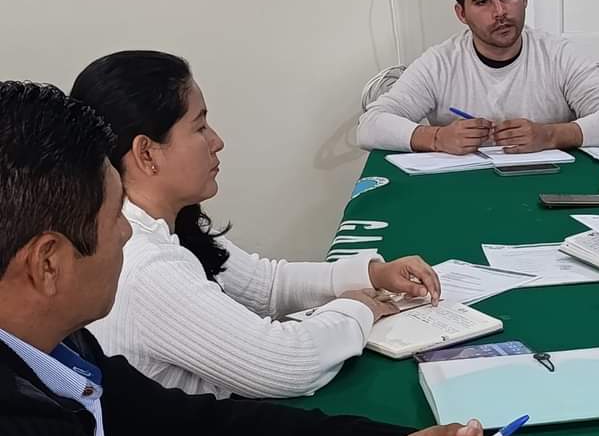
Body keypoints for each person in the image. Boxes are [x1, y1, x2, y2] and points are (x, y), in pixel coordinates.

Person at [0, 81, 531, 436]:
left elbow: (186, 432)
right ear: (48, 264)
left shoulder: (56, 346)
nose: (125, 234)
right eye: (115, 215)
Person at [70, 51, 441, 400]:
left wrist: (371, 275)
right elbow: (288, 364)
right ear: (146, 153)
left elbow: (266, 285)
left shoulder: (164, 223)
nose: (217, 141)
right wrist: (358, 309)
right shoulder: (145, 265)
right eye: (199, 127)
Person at [355, 0, 599, 154]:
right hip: (464, 191)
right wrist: (437, 138)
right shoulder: (439, 63)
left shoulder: (558, 55)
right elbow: (369, 126)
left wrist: (550, 135)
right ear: (461, 14)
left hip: (547, 189)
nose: (500, 11)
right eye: (482, 2)